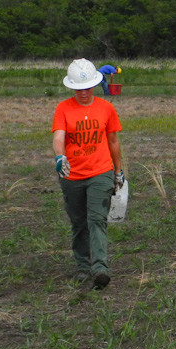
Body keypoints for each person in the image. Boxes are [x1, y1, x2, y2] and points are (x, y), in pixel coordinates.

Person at [52, 58, 124, 289]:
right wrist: (59, 156)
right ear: (72, 88)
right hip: (71, 175)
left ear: (94, 84)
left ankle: (100, 267)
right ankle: (82, 266)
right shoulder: (63, 108)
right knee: (79, 222)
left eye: (87, 88)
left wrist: (118, 171)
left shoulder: (106, 108)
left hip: (100, 172)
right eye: (78, 89)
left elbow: (113, 141)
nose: (83, 93)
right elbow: (59, 136)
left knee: (97, 219)